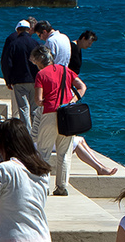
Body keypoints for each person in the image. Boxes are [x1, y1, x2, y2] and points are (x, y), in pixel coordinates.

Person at [30, 45, 86, 195]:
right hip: (67, 115)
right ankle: (62, 187)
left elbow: (38, 99)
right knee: (65, 153)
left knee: (44, 151)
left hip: (50, 114)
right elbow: (82, 86)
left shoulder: (41, 74)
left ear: (38, 61)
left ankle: (43, 186)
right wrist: (73, 100)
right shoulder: (65, 70)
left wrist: (43, 100)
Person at [0, 20, 43, 134]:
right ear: (29, 30)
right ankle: (36, 134)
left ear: (18, 30)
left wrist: (8, 80)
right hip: (35, 81)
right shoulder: (35, 43)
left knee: (23, 109)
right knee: (35, 109)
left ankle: (27, 134)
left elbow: (6, 63)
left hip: (19, 81)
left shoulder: (13, 44)